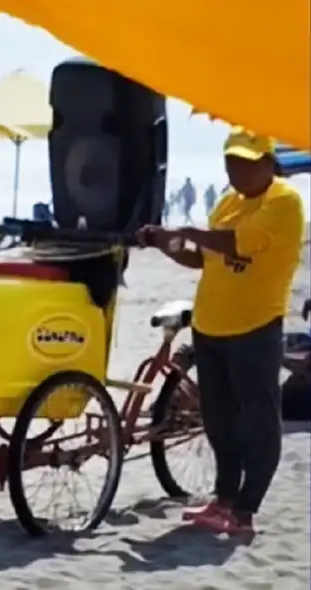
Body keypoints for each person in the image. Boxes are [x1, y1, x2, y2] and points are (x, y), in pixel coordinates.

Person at [137, 127, 306, 534]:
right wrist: (167, 243)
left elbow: (236, 243)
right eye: (231, 162)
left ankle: (245, 512)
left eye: (246, 163)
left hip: (254, 326)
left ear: (268, 163)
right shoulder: (228, 201)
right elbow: (204, 258)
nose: (236, 171)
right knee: (217, 419)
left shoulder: (283, 200)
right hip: (210, 324)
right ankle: (223, 499)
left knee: (259, 421)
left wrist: (188, 232)